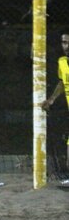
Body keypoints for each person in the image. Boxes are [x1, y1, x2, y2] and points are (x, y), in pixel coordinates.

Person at [41, 30, 69, 172]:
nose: (67, 46)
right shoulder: (62, 62)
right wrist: (51, 100)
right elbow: (62, 82)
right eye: (64, 42)